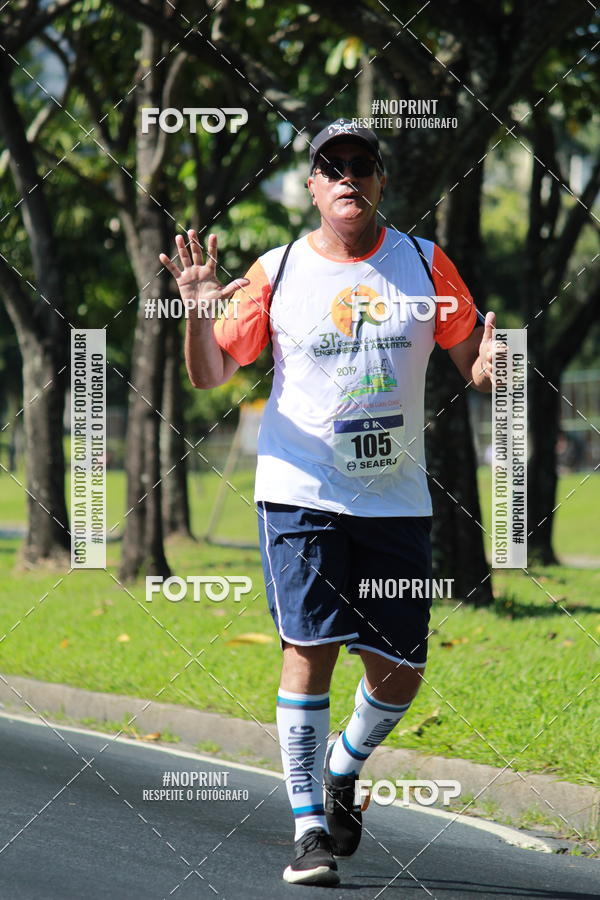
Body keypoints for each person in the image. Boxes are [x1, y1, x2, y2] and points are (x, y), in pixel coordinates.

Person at [160, 118, 498, 887]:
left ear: (380, 181)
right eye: (331, 165)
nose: (348, 175)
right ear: (312, 186)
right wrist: (198, 308)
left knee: (401, 670)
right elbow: (210, 373)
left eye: (361, 164)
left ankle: (344, 767)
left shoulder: (424, 264)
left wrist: (495, 361)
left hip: (395, 499)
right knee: (307, 650)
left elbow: (473, 364)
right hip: (299, 492)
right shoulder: (276, 270)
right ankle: (308, 828)